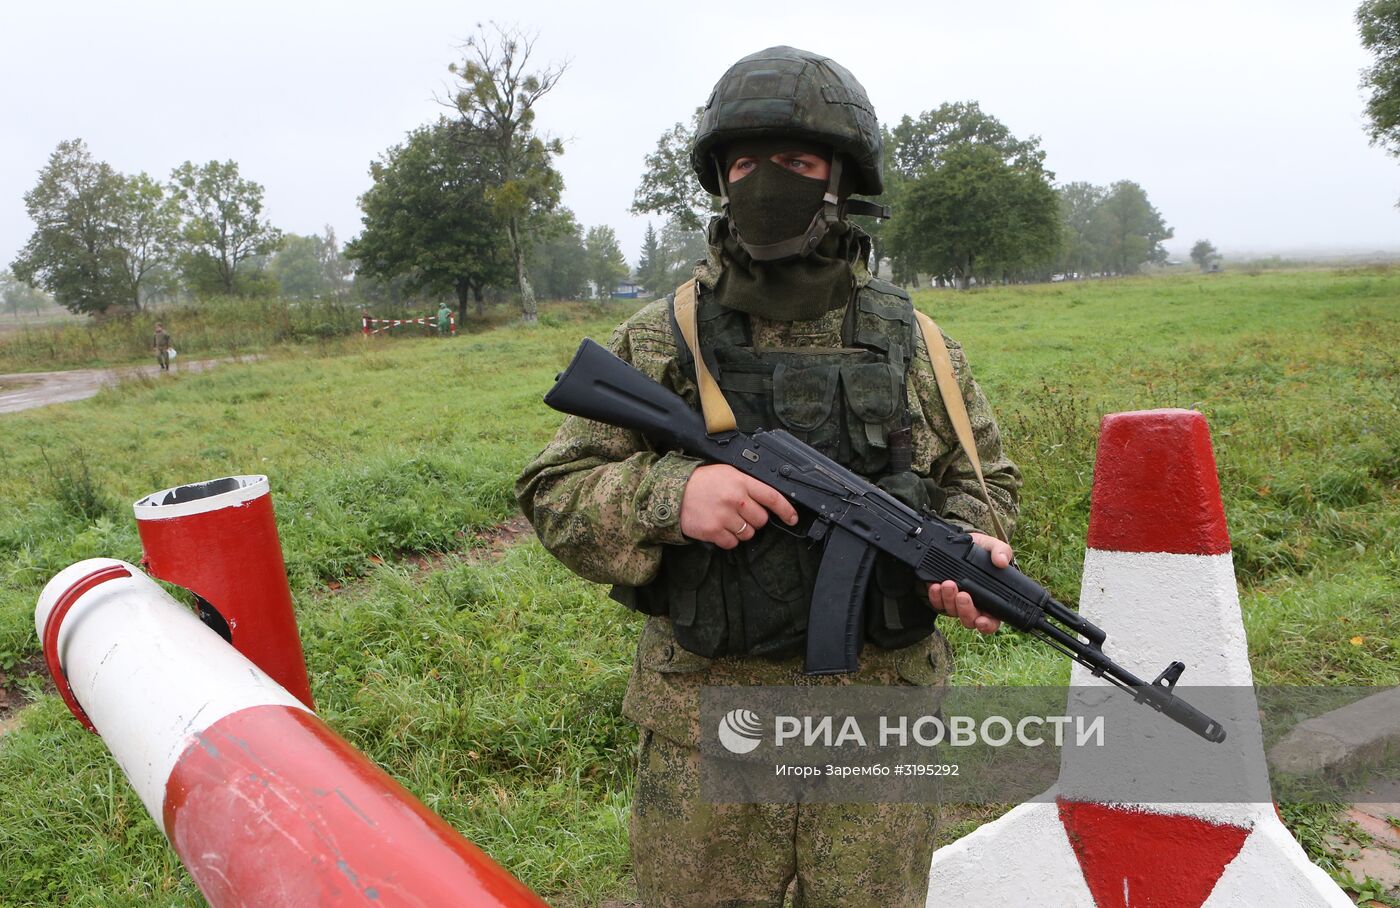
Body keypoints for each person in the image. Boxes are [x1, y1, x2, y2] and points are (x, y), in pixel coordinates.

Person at [517, 46, 1020, 908]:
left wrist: (967, 545)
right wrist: (673, 497)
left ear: (841, 179)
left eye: (795, 160)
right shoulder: (662, 337)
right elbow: (553, 491)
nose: (765, 182)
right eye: (744, 163)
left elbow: (988, 482)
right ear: (719, 178)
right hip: (706, 729)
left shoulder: (920, 343)